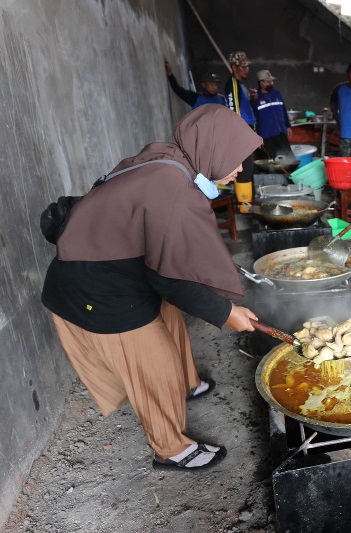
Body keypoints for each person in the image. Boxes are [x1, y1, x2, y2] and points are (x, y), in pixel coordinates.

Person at [41, 104, 264, 471]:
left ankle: (186, 384)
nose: (240, 169)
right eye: (237, 160)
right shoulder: (174, 191)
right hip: (92, 287)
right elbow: (171, 278)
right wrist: (226, 314)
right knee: (152, 364)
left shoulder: (170, 157)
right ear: (214, 149)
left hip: (116, 263)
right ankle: (170, 448)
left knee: (170, 318)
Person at [224, 51, 258, 211]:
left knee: (248, 169)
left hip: (247, 132)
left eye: (247, 66)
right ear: (234, 67)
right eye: (243, 67)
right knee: (244, 170)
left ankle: (246, 204)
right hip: (241, 134)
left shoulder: (240, 85)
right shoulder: (231, 85)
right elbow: (234, 112)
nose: (246, 69)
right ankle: (244, 208)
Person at [252, 69, 293, 159]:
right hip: (267, 137)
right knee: (271, 163)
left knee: (289, 159)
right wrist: (258, 136)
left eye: (272, 81)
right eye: (268, 81)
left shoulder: (276, 94)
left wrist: (288, 125)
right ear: (261, 83)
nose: (271, 83)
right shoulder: (255, 98)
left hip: (281, 133)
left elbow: (283, 109)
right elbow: (254, 119)